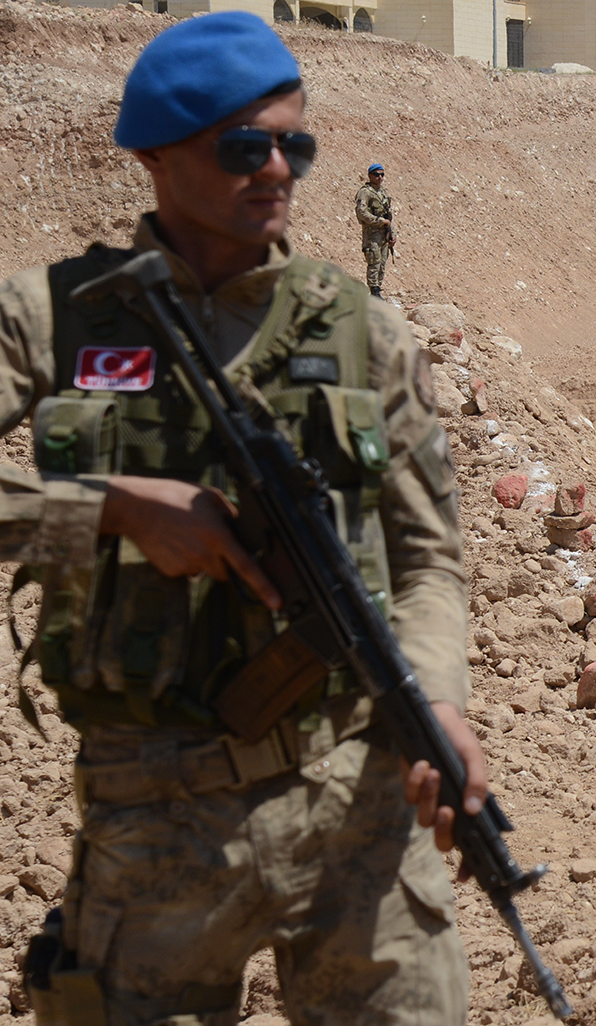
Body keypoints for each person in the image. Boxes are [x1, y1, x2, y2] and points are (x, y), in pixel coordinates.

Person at [4, 13, 479, 1024]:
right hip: (154, 816)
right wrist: (110, 510)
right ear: (153, 156)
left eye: (294, 145)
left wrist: (438, 701)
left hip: (356, 795)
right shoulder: (55, 316)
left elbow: (430, 554)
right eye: (242, 146)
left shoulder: (368, 334)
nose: (277, 170)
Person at [354, 161, 393, 298]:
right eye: (376, 175)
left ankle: (378, 289)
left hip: (383, 234)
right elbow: (362, 213)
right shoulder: (365, 193)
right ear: (370, 176)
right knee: (374, 262)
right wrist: (380, 221)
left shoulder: (383, 193)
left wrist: (391, 233)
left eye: (382, 175)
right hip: (372, 233)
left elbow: (389, 214)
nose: (380, 177)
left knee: (382, 262)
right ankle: (374, 291)